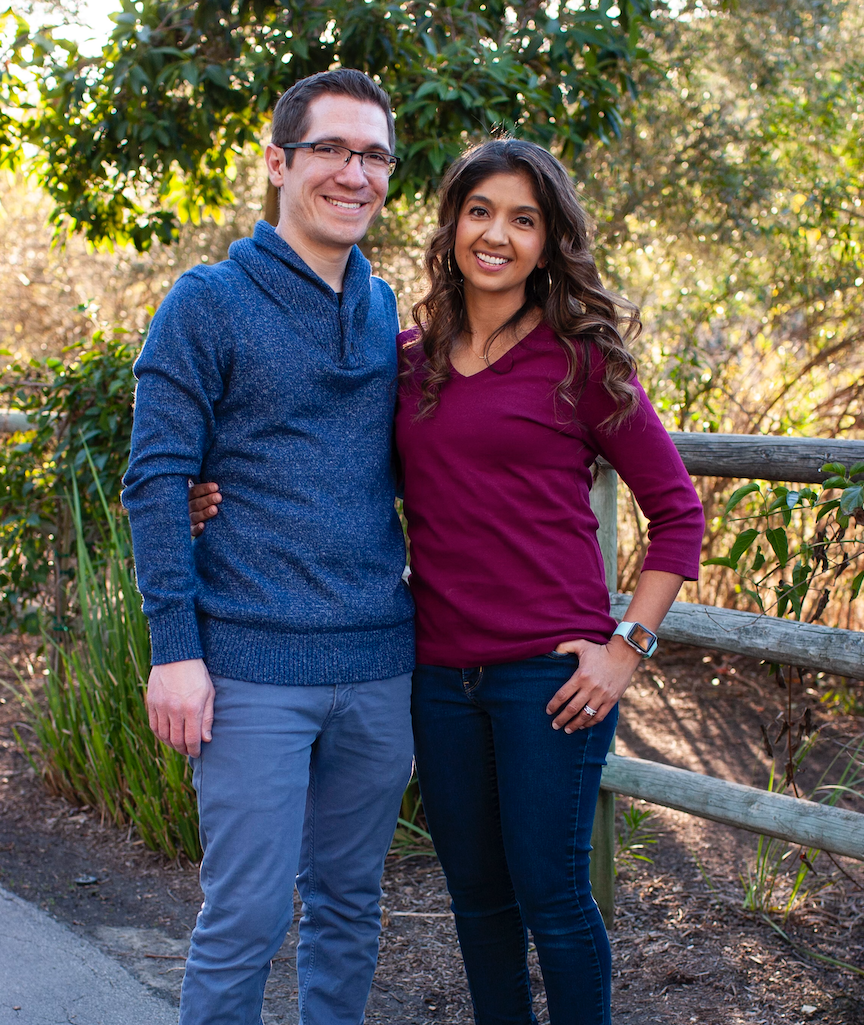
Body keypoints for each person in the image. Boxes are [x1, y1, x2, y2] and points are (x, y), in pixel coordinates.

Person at [191, 139, 705, 1024]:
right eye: (480, 212)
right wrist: (211, 492)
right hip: (436, 673)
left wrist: (627, 649)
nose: (496, 235)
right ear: (452, 223)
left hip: (555, 676)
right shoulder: (408, 358)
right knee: (476, 896)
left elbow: (678, 513)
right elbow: (317, 449)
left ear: (549, 242)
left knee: (552, 895)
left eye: (522, 219)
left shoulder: (582, 362)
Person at [122, 70, 415, 1025]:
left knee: (347, 907)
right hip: (249, 664)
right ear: (279, 161)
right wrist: (176, 647)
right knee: (244, 916)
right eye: (331, 148)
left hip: (379, 660)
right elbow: (157, 479)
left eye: (373, 154)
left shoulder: (388, 314)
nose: (353, 172)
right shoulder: (205, 302)